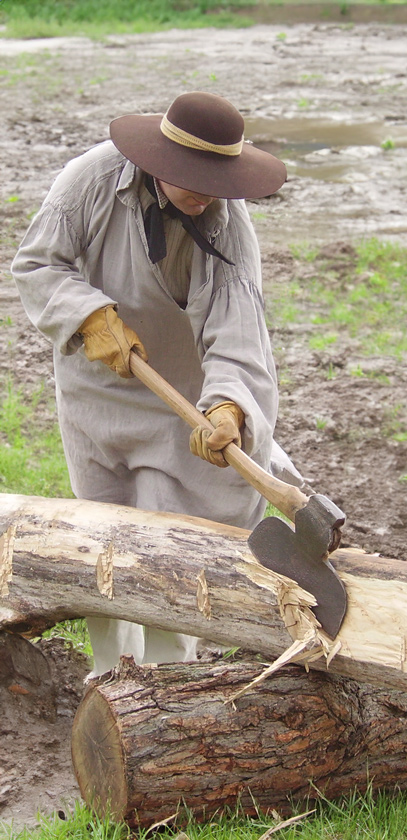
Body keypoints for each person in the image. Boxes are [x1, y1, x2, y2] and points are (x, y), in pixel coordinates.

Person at [11, 91, 293, 676]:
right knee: (105, 535)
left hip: (179, 399)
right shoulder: (88, 181)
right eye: (190, 177)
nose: (202, 193)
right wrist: (86, 314)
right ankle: (110, 677)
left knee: (171, 543)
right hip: (98, 391)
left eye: (215, 181)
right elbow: (37, 263)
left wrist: (228, 407)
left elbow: (239, 334)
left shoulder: (229, 226)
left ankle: (166, 682)